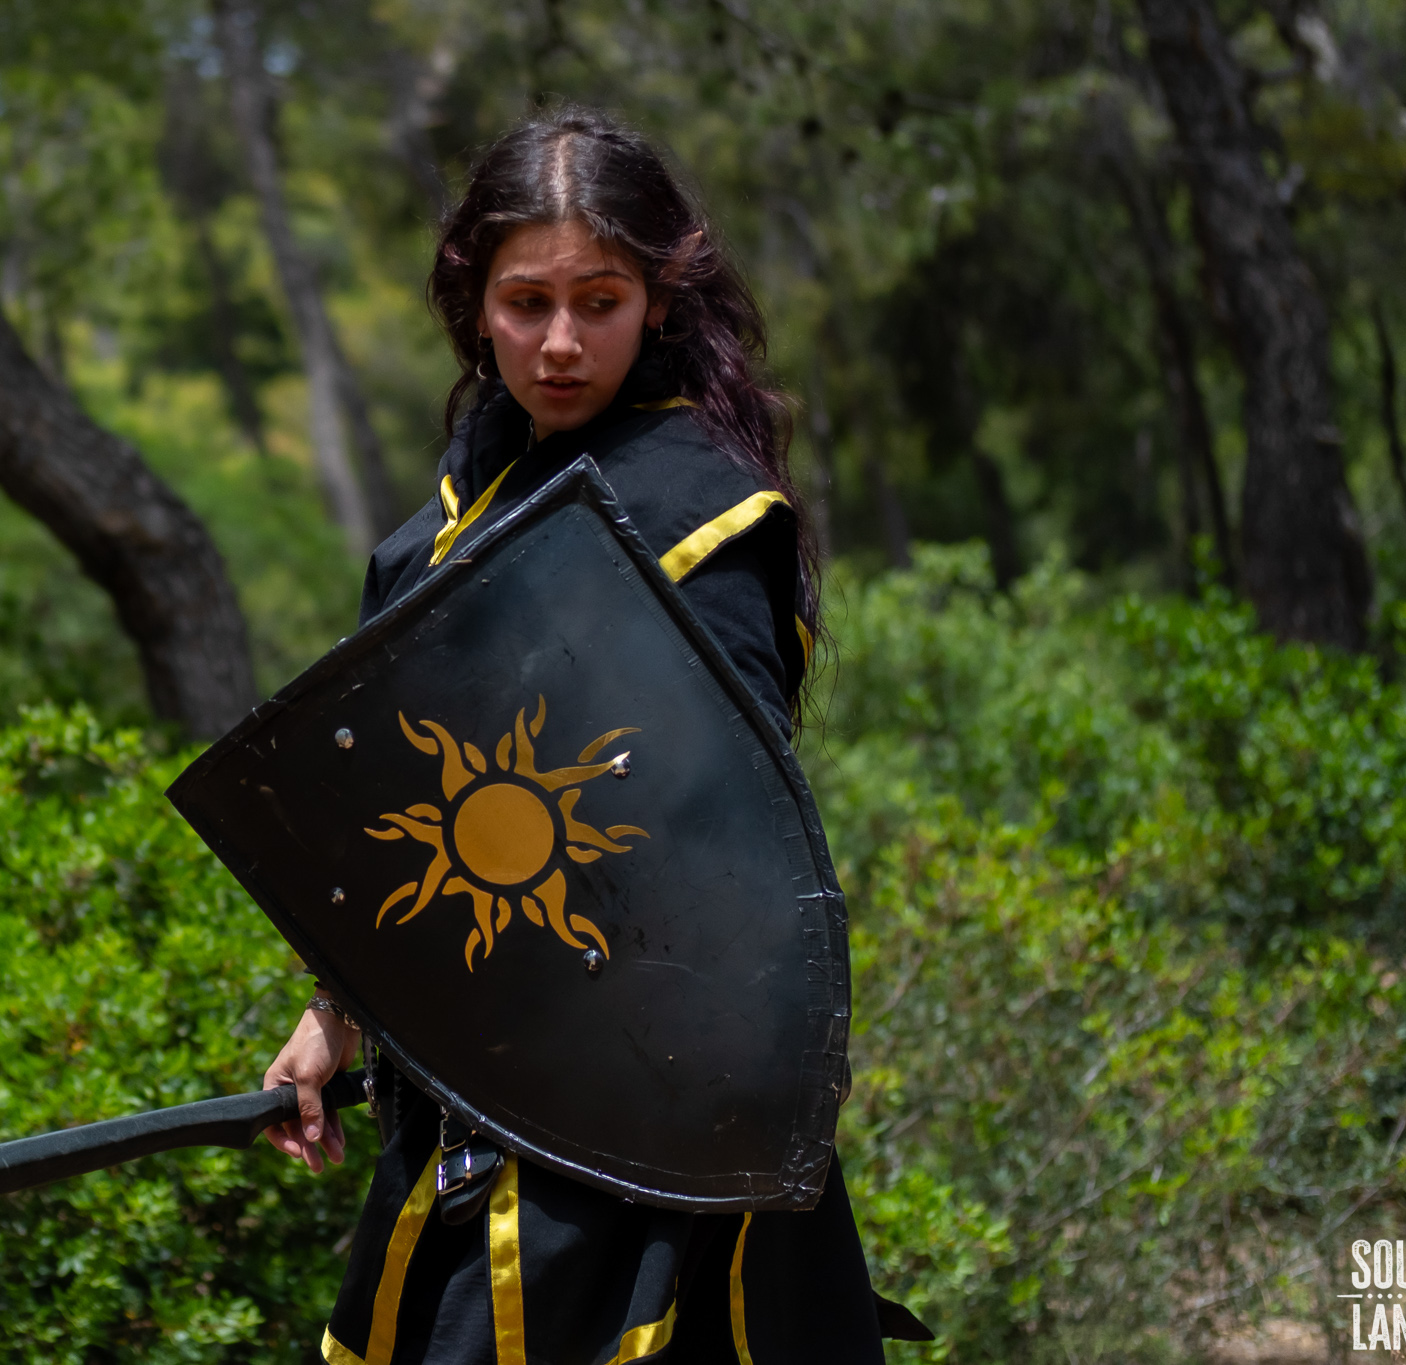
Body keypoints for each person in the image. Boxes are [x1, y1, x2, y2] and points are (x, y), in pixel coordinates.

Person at [260, 107, 919, 1365]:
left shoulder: (701, 519)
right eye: (525, 303)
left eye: (598, 302)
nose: (559, 343)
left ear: (657, 300)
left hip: (646, 1110)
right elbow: (409, 825)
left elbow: (719, 858)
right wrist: (335, 1011)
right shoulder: (443, 524)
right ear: (474, 305)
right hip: (464, 1098)